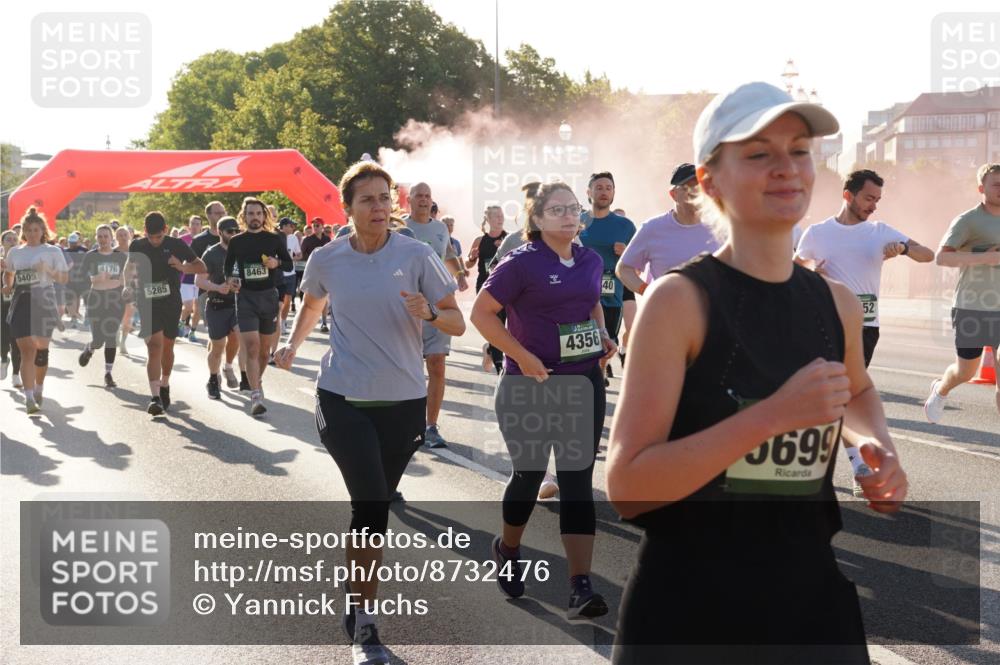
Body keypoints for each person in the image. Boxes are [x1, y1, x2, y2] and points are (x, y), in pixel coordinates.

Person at [607, 81, 907, 664]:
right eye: (758, 153)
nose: (786, 169)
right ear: (709, 179)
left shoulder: (835, 303)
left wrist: (876, 445)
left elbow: (859, 390)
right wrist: (773, 416)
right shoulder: (679, 302)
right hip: (691, 616)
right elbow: (629, 486)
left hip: (811, 609)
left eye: (798, 150)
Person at [273, 161, 463, 665]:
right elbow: (313, 307)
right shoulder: (328, 258)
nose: (379, 208)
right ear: (348, 207)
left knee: (374, 508)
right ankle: (364, 621)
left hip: (403, 401)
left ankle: (358, 573)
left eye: (384, 199)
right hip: (342, 396)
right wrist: (293, 345)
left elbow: (458, 321)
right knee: (372, 505)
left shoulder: (418, 253)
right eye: (367, 200)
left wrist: (431, 313)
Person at [471, 180, 616, 619]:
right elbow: (481, 314)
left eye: (573, 208)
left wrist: (604, 334)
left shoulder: (590, 259)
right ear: (535, 218)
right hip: (527, 386)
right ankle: (508, 548)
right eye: (557, 210)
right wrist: (523, 356)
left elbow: (591, 304)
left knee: (576, 482)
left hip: (582, 382)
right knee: (530, 476)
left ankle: (580, 585)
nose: (570, 215)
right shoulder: (521, 263)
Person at [925, 162, 1000, 422]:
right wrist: (984, 258)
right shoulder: (968, 221)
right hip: (973, 306)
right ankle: (941, 388)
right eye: (996, 184)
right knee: (966, 371)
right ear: (982, 188)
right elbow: (942, 259)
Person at [404, 182, 469, 448]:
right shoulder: (399, 228)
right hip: (406, 308)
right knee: (409, 368)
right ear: (409, 199)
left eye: (427, 196)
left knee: (437, 364)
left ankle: (431, 426)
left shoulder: (440, 228)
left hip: (438, 307)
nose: (423, 200)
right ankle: (409, 422)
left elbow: (449, 254)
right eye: (418, 195)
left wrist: (461, 274)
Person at [122, 211, 206, 416]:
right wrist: (127, 285)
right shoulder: (138, 245)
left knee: (167, 347)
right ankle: (155, 397)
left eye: (159, 237)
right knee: (154, 346)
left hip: (171, 301)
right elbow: (128, 268)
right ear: (145, 233)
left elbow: (201, 266)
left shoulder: (176, 244)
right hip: (147, 300)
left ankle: (165, 383)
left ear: (165, 230)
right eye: (151, 237)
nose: (155, 241)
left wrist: (182, 266)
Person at [223, 197, 293, 415]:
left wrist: (276, 263)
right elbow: (228, 268)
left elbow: (289, 263)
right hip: (245, 298)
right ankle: (255, 396)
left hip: (268, 298)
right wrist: (231, 280)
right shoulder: (236, 241)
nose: (255, 218)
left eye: (258, 214)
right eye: (251, 214)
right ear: (244, 217)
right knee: (252, 347)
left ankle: (257, 381)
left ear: (264, 216)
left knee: (264, 352)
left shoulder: (274, 239)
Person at [2, 208, 69, 413]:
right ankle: (29, 398)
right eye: (28, 230)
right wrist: (7, 284)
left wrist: (46, 270)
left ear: (43, 231)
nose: (32, 233)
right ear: (23, 231)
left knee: (41, 351)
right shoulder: (15, 252)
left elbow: (64, 279)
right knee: (26, 350)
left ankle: (39, 388)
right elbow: (9, 274)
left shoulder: (53, 251)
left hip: (44, 300)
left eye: (36, 230)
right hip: (22, 301)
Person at [579, 172, 635, 385]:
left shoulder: (626, 226)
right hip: (579, 294)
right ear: (589, 192)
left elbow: (636, 265)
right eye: (599, 187)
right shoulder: (577, 221)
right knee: (579, 345)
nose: (604, 192)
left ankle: (598, 377)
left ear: (613, 193)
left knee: (605, 346)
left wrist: (626, 252)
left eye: (608, 188)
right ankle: (584, 381)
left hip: (611, 296)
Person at [195, 216, 243, 399]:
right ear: (220, 232)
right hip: (217, 305)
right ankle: (213, 380)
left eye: (237, 231)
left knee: (239, 339)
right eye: (230, 231)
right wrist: (217, 288)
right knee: (218, 346)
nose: (234, 234)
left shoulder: (241, 252)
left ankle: (229, 367)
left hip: (238, 305)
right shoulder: (212, 253)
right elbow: (199, 280)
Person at [78, 225, 128, 387]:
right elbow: (81, 278)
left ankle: (108, 373)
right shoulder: (90, 256)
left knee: (111, 337)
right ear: (96, 238)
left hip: (115, 299)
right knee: (99, 339)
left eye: (106, 236)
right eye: (100, 236)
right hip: (96, 298)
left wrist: (125, 285)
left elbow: (127, 276)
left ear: (111, 238)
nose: (103, 239)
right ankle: (90, 348)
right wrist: (94, 278)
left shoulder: (120, 256)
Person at [466, 205, 508, 373]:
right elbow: (468, 264)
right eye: (496, 216)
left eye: (501, 215)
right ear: (489, 219)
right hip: (486, 286)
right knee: (493, 323)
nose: (500, 218)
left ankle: (491, 350)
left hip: (506, 286)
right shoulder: (480, 240)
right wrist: (472, 257)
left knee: (504, 324)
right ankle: (499, 364)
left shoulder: (509, 238)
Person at [301, 217, 332, 333]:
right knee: (309, 298)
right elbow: (302, 255)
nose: (315, 227)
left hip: (325, 271)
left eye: (317, 225)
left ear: (322, 227)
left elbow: (331, 254)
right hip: (311, 272)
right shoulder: (307, 240)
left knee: (323, 297)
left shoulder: (327, 239)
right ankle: (305, 324)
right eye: (313, 225)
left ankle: (324, 322)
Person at [1, 229, 24, 387]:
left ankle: (16, 374)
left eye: (15, 239)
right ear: (2, 243)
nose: (12, 241)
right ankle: (3, 360)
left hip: (19, 304)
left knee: (16, 341)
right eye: (8, 239)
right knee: (2, 337)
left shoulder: (23, 262)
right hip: (1, 304)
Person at [276, 217, 303, 340]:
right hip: (277, 274)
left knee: (287, 300)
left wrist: (292, 259)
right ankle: (275, 323)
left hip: (290, 273)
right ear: (284, 226)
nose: (293, 228)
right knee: (278, 301)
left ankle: (283, 323)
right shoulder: (275, 237)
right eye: (291, 226)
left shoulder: (293, 238)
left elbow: (299, 254)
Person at [178, 215, 204, 341]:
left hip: (201, 277)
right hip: (186, 278)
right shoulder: (182, 240)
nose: (194, 226)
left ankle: (192, 332)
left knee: (197, 308)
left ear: (201, 226)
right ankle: (182, 322)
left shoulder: (204, 240)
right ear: (189, 226)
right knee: (188, 307)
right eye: (192, 223)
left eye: (197, 224)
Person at [114, 225, 136, 356]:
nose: (123, 237)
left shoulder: (135, 252)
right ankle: (116, 334)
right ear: (116, 237)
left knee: (128, 316)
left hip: (131, 288)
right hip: (115, 288)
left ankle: (123, 342)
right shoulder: (112, 253)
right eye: (120, 235)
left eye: (125, 234)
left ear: (129, 236)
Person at [62, 231, 89, 328]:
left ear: (78, 242)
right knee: (70, 298)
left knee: (81, 297)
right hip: (69, 279)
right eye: (70, 242)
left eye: (74, 242)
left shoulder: (84, 250)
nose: (72, 245)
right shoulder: (65, 251)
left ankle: (82, 315)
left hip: (82, 279)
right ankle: (74, 317)